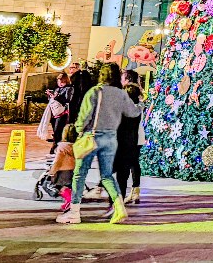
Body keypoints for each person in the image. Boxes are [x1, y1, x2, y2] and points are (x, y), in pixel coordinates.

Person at [57, 62, 139, 225]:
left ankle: (74, 212)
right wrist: (142, 102)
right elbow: (133, 112)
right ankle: (119, 207)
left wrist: (78, 129)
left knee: (80, 174)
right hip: (111, 138)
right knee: (107, 175)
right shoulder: (120, 94)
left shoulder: (95, 91)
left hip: (92, 137)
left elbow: (84, 117)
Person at [113, 69, 143, 207]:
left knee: (125, 166)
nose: (121, 80)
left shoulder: (127, 97)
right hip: (137, 135)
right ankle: (135, 190)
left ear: (127, 79)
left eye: (123, 78)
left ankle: (121, 195)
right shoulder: (139, 97)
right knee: (133, 162)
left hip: (129, 137)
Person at [46, 126, 77, 212]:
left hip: (63, 170)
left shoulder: (62, 147)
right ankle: (68, 201)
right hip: (73, 169)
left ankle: (69, 200)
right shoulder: (77, 146)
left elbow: (58, 161)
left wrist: (52, 171)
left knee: (60, 186)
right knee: (69, 186)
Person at [47, 73, 74, 154]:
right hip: (55, 112)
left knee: (58, 130)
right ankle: (56, 145)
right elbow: (53, 100)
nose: (60, 83)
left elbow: (67, 100)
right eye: (59, 81)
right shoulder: (57, 89)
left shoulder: (69, 88)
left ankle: (55, 147)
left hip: (62, 113)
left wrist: (57, 96)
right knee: (56, 130)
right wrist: (50, 96)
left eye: (62, 81)